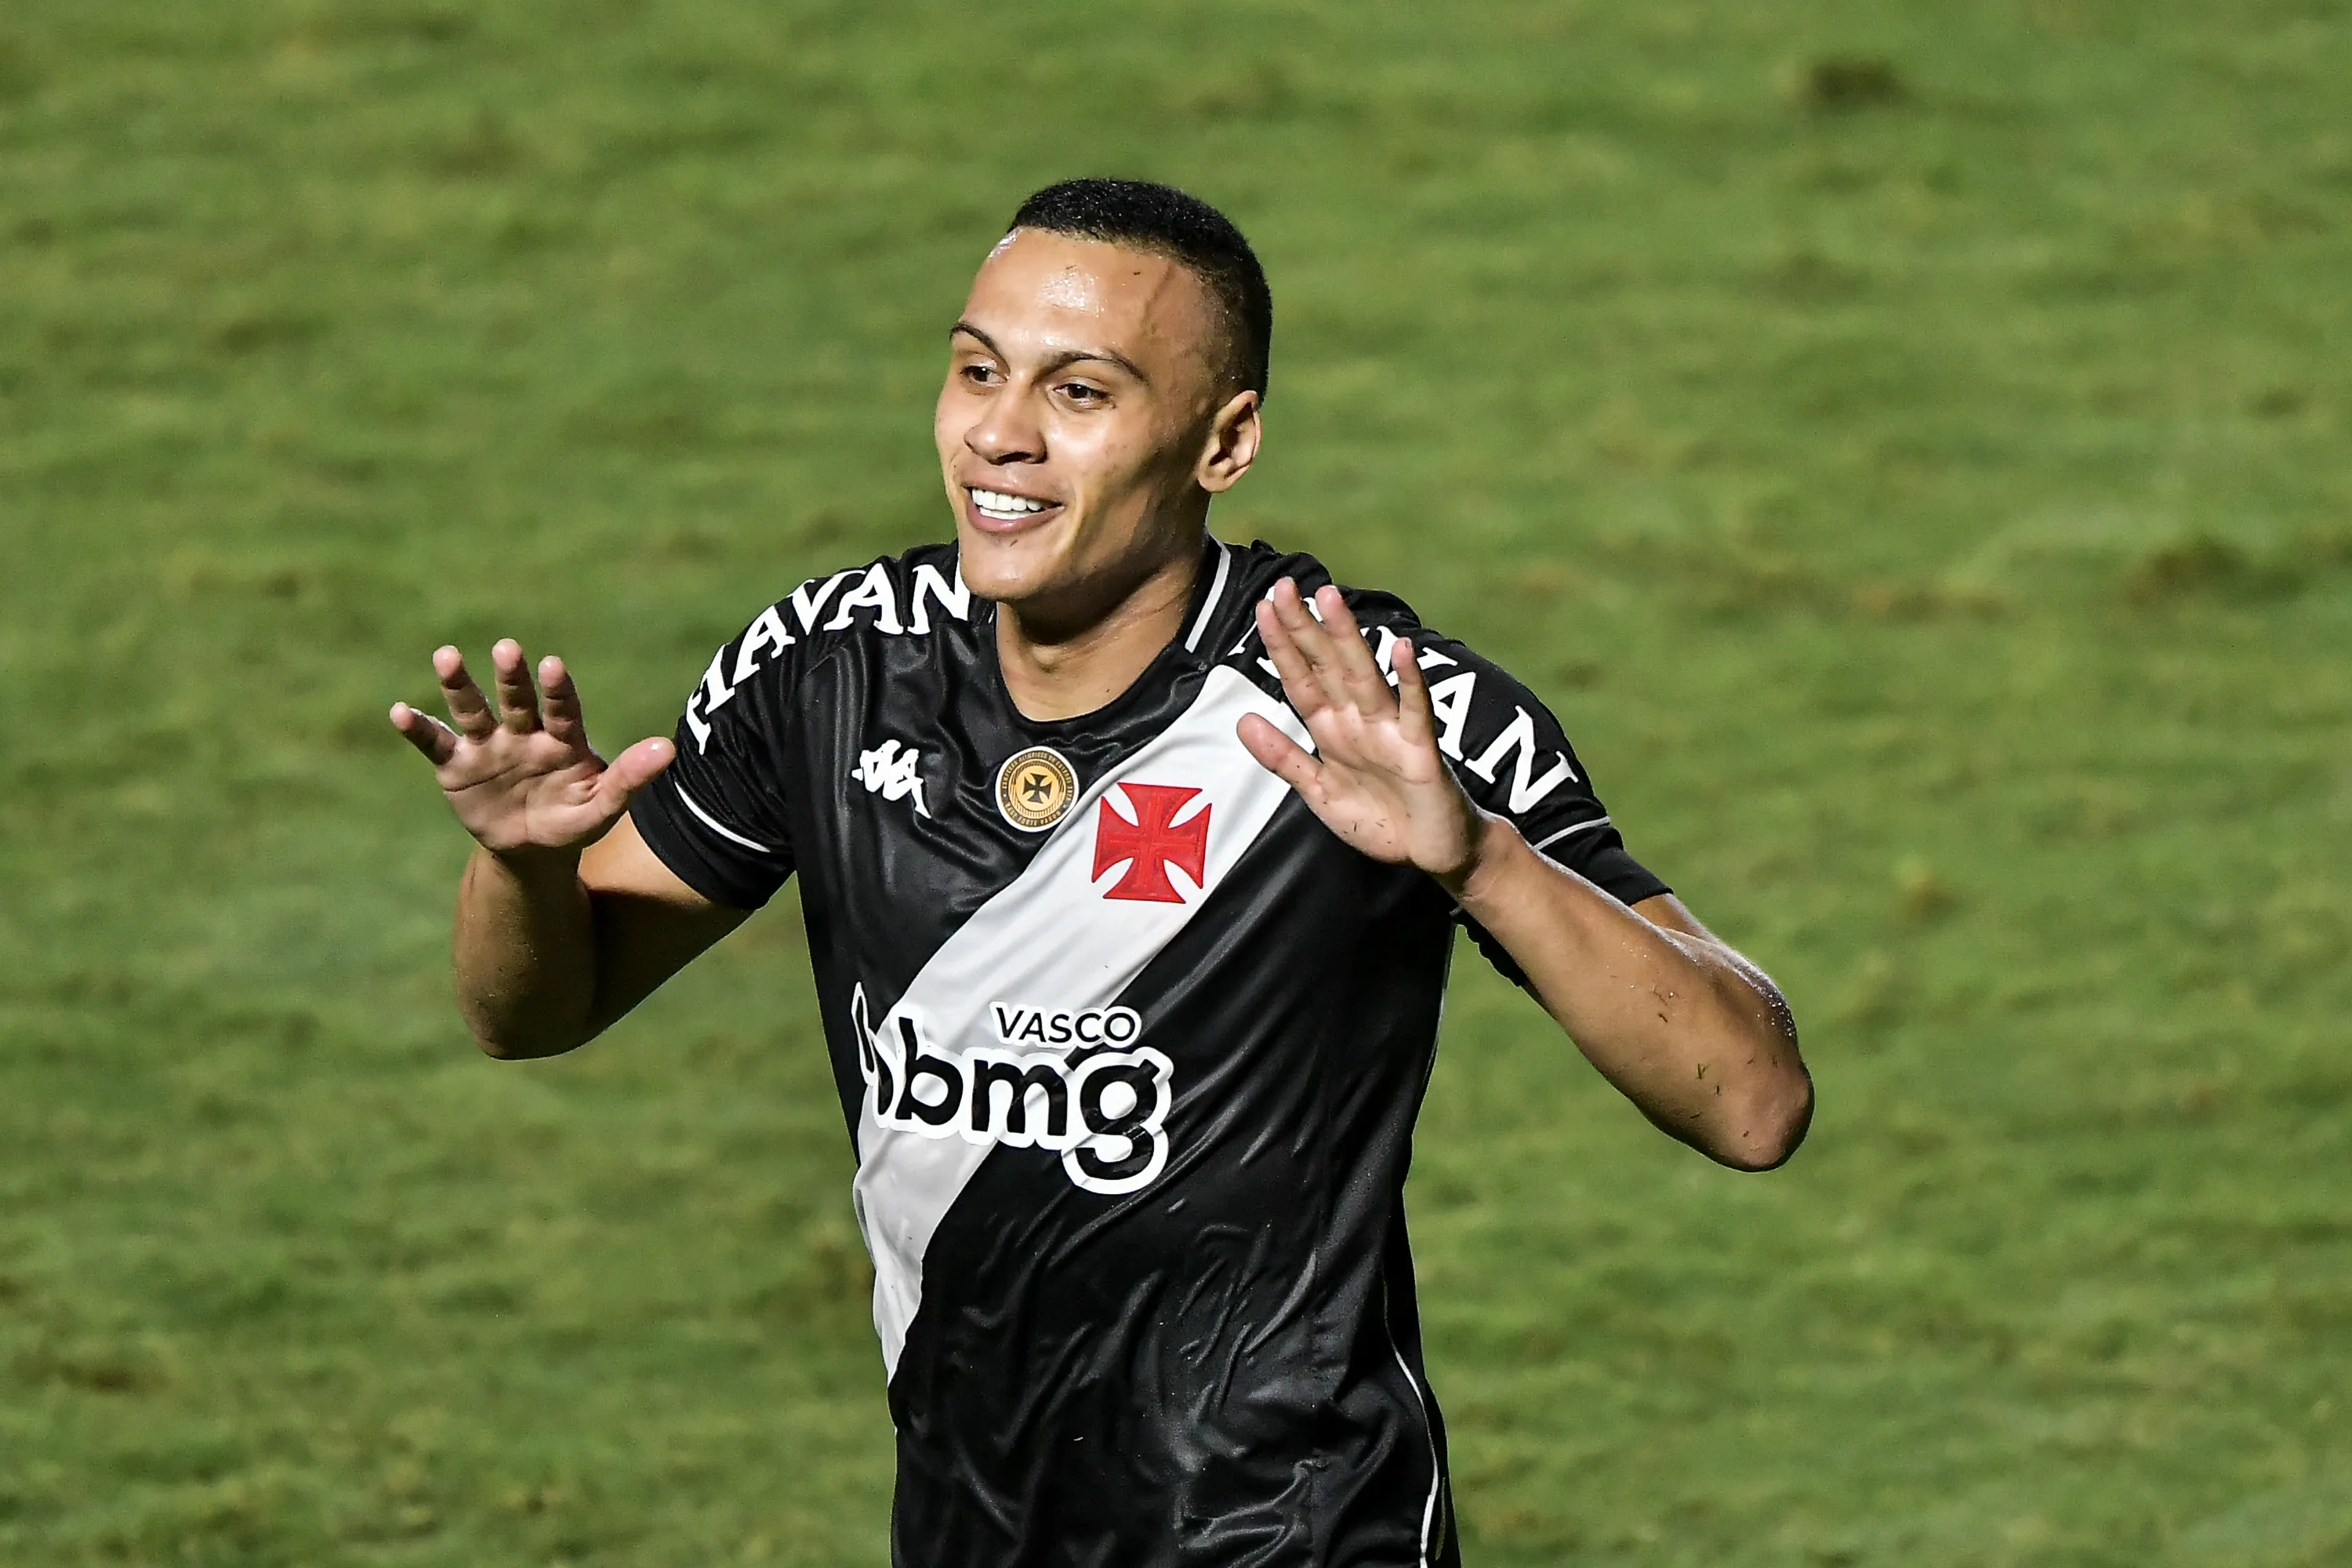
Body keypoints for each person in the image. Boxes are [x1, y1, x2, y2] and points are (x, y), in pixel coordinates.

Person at [390, 177, 1810, 1567]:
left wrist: (1479, 857)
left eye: (1079, 394)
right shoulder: (834, 671)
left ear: (1224, 439)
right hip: (965, 1524)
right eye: (974, 371)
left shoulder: (1377, 711)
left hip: (1289, 1530)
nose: (998, 437)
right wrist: (519, 872)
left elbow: (1753, 1102)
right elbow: (531, 1013)